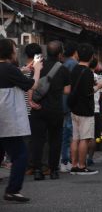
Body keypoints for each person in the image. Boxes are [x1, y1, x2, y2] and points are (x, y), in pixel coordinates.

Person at [0, 38, 42, 202]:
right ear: (9, 51)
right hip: (8, 120)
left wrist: (24, 69)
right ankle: (13, 190)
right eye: (14, 48)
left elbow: (13, 75)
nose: (16, 50)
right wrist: (37, 70)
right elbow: (33, 85)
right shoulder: (10, 69)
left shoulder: (9, 69)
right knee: (20, 155)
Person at [30, 41, 71, 181]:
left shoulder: (38, 66)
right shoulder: (63, 69)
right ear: (60, 54)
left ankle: (37, 170)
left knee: (37, 140)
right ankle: (53, 170)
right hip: (55, 109)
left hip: (38, 108)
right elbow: (67, 90)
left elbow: (31, 85)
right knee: (55, 140)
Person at [69, 43, 102, 175]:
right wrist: (99, 87)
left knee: (75, 138)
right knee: (85, 138)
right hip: (85, 109)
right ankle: (82, 166)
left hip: (74, 108)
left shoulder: (74, 70)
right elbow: (88, 92)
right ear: (91, 57)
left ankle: (74, 165)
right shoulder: (88, 72)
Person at [22, 43, 43, 173]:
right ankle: (33, 165)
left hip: (22, 110)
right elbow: (33, 86)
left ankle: (27, 166)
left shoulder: (21, 70)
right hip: (35, 107)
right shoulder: (38, 71)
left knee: (25, 140)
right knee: (36, 139)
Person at [60, 41, 79, 173]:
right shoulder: (74, 65)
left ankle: (63, 159)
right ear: (75, 53)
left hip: (61, 101)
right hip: (70, 102)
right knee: (68, 133)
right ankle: (65, 160)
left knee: (63, 133)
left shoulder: (63, 65)